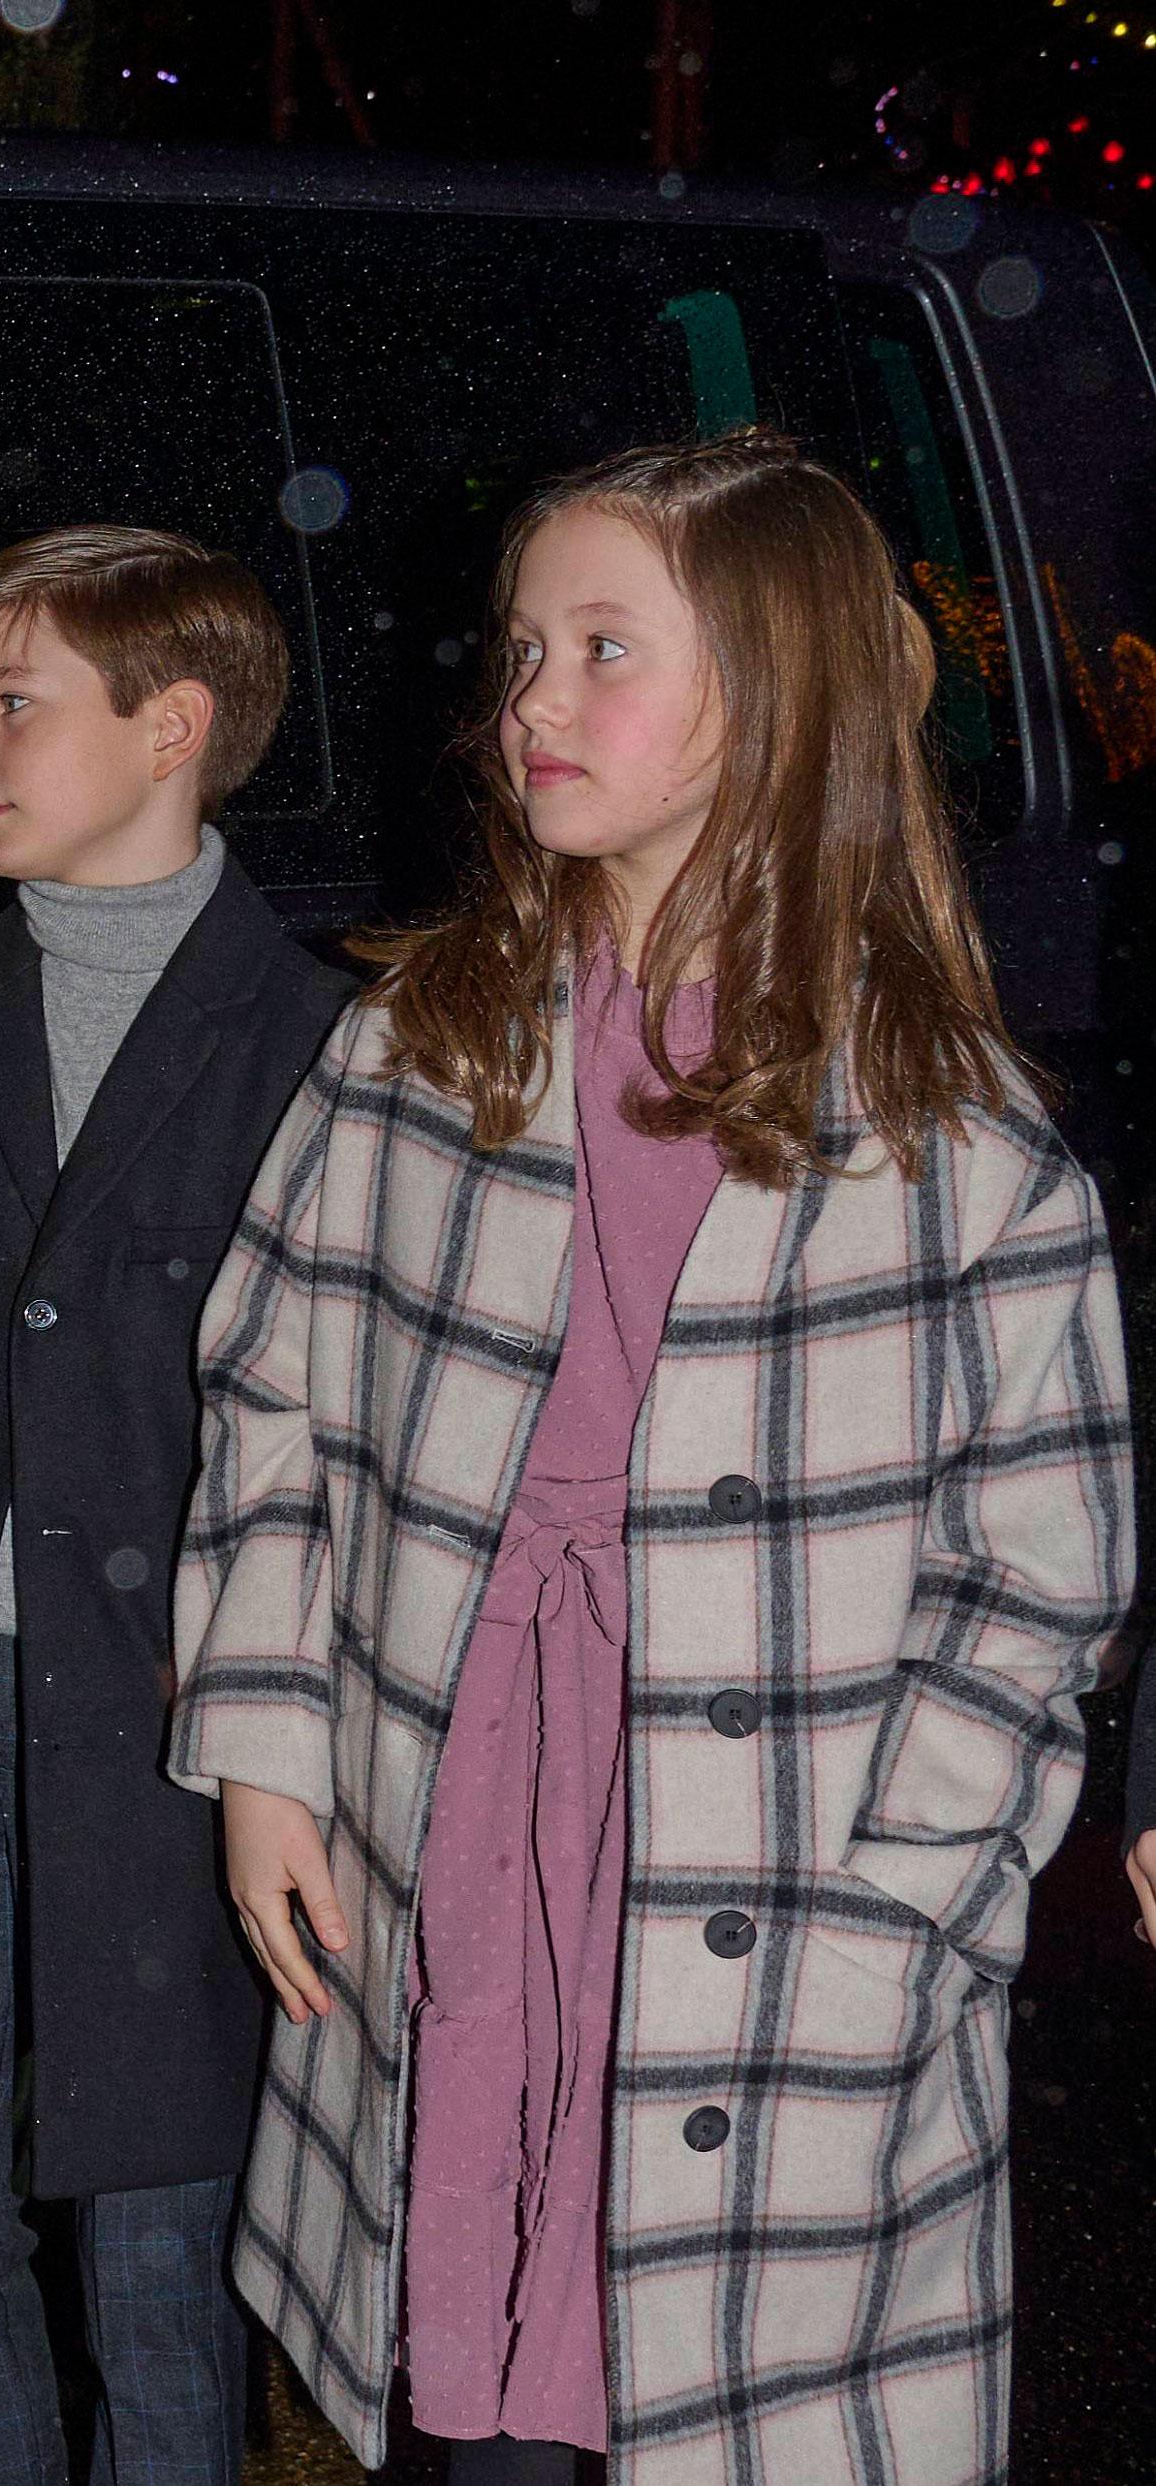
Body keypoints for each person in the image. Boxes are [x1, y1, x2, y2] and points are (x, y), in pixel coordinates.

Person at [172, 432, 1131, 2486]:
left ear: (773, 700)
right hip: (463, 1781)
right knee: (481, 2360)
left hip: (771, 1863)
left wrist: (903, 1901)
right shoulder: (413, 1045)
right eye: (521, 646)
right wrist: (261, 1738)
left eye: (601, 649)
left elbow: (1033, 1570)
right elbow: (273, 1395)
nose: (526, 698)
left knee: (731, 2389)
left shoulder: (949, 1138)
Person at [0, 528, 349, 2486]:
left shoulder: (323, 1048)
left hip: (186, 1724)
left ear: (169, 724)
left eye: (11, 704)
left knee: (155, 2251)